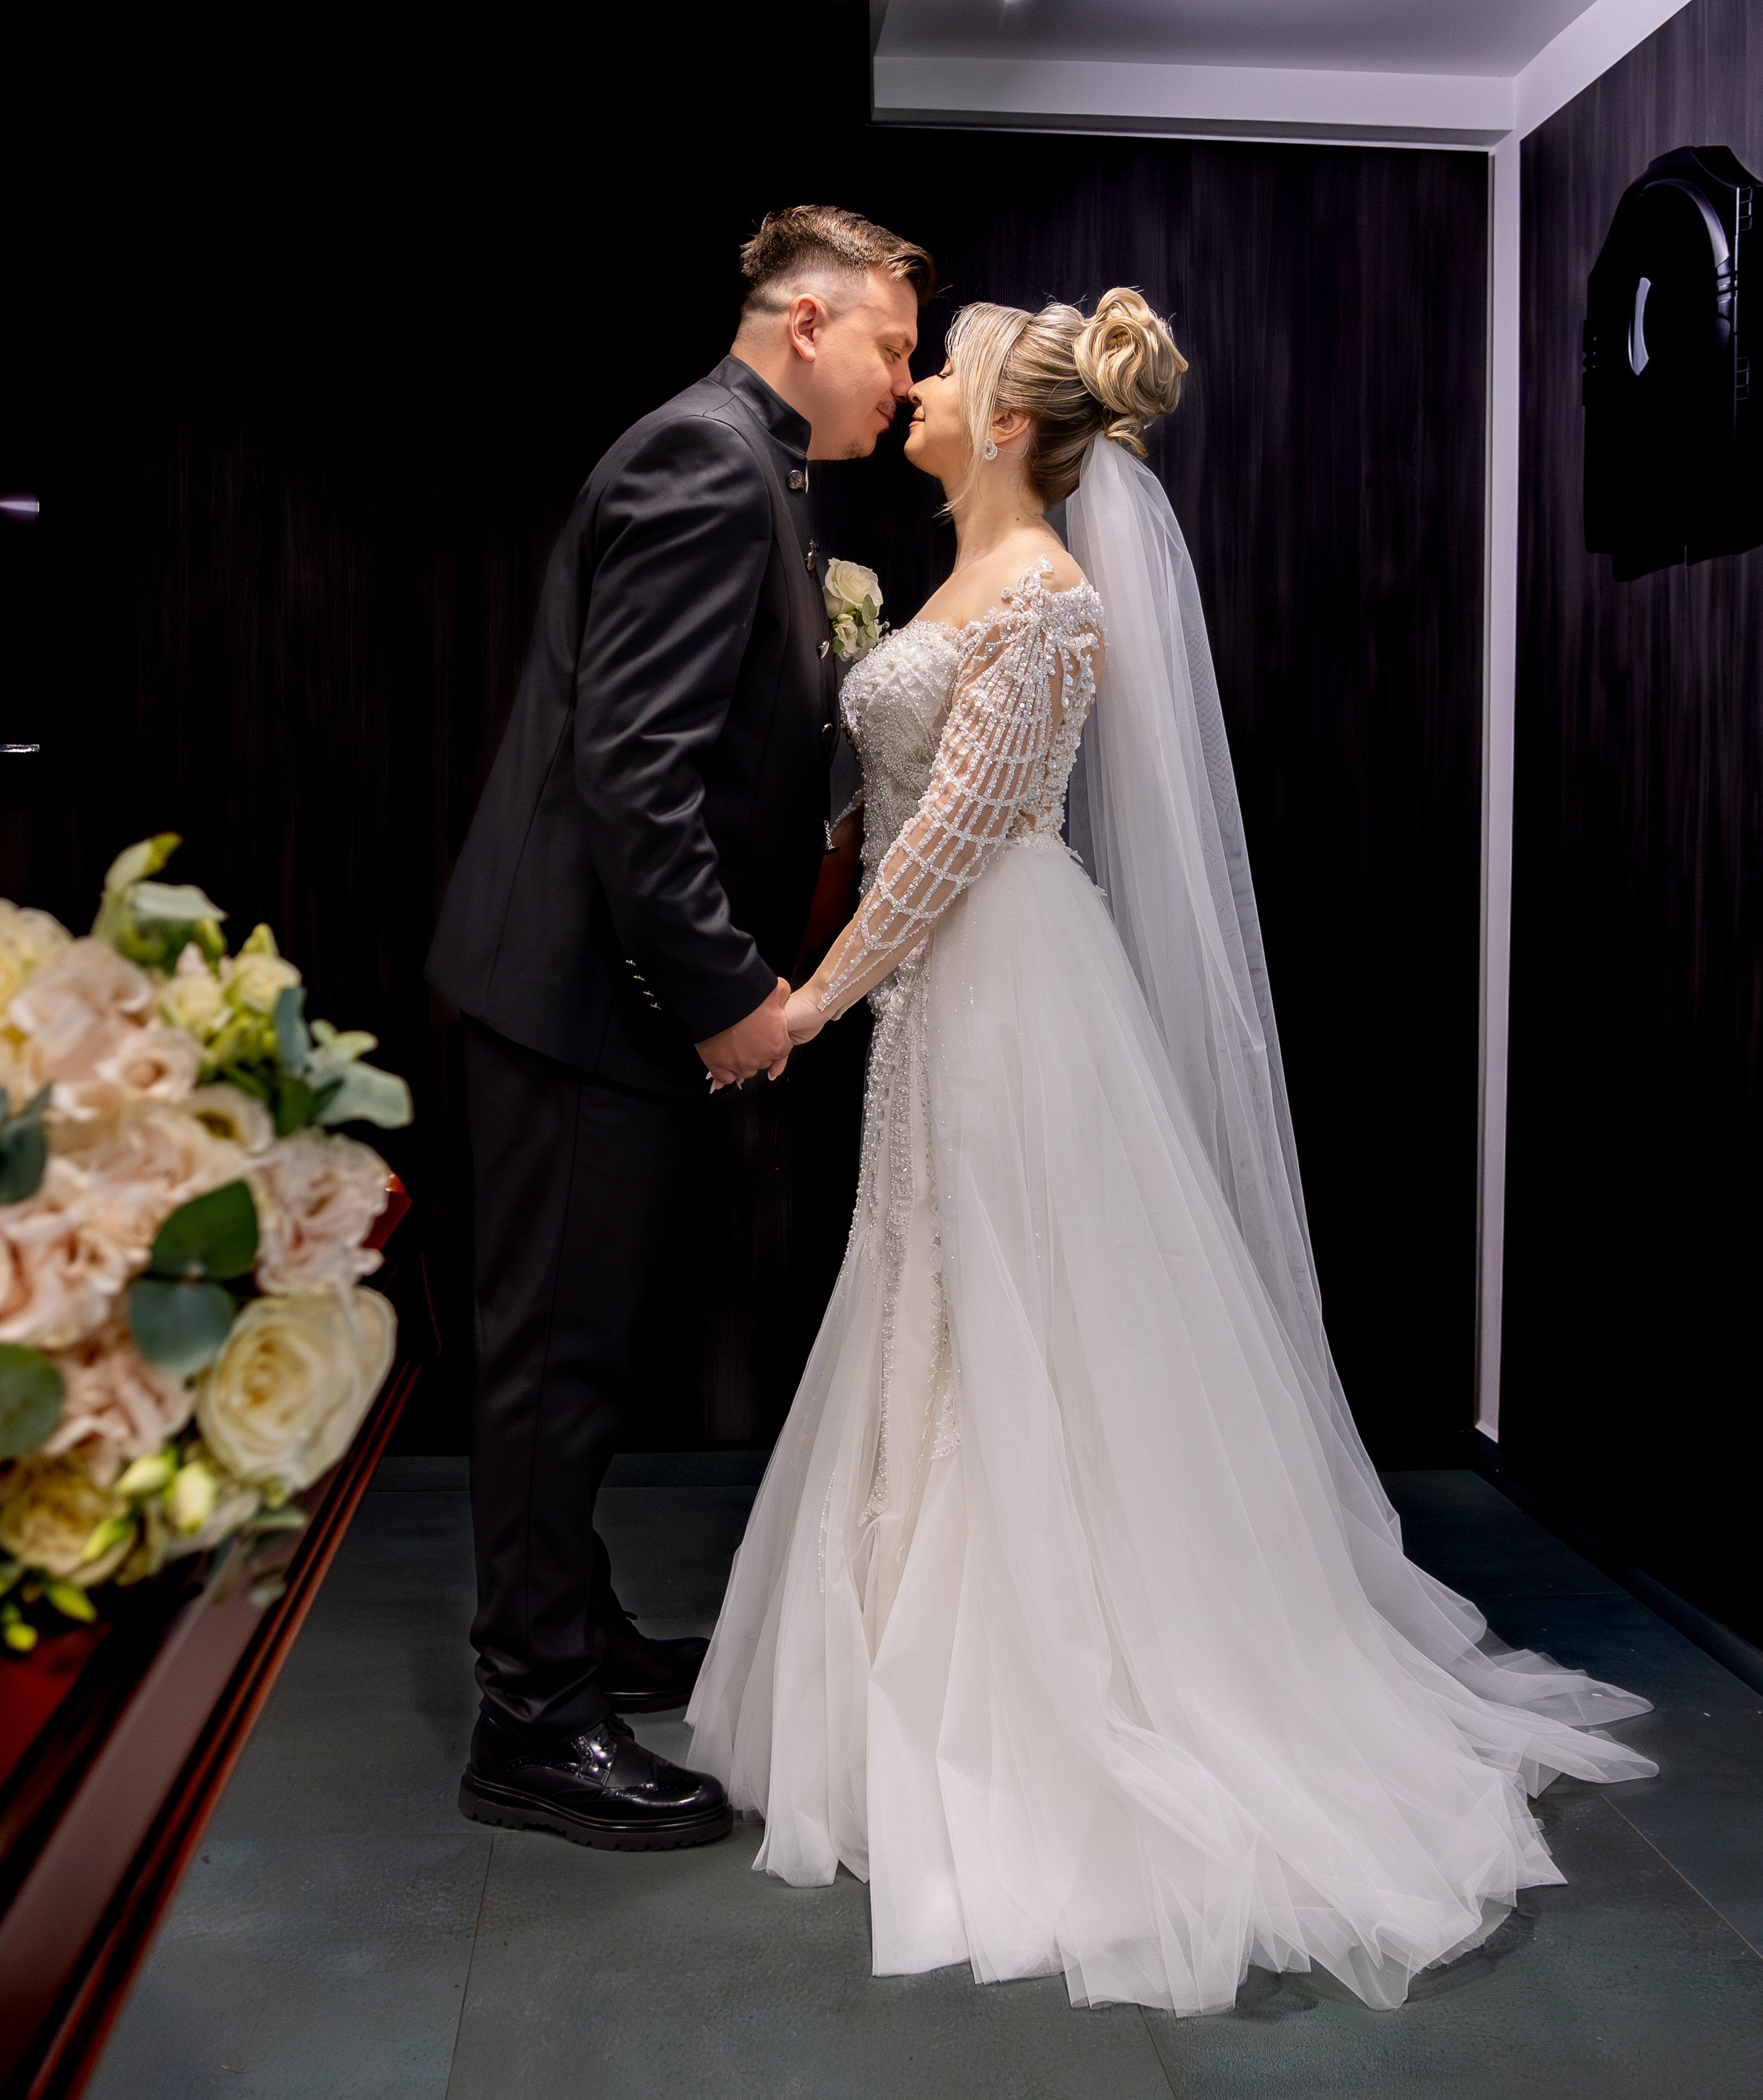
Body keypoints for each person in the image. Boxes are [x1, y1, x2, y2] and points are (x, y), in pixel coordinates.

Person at [687, 289, 1657, 2005]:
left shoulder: (1050, 599)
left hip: (1005, 988)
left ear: (1003, 424)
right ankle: (910, 1653)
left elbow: (958, 842)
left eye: (940, 370)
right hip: (940, 998)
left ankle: (1045, 1689)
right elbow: (887, 812)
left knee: (1015, 1310)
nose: (914, 388)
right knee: (928, 1287)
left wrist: (807, 1003)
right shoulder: (956, 578)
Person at [427, 205, 934, 1851]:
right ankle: (530, 1718)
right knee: (552, 1357)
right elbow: (634, 774)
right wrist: (727, 997)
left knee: (583, 1344)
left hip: (596, 990)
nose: (903, 379)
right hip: (584, 993)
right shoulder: (709, 462)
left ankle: (570, 1628)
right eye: (891, 346)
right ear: (807, 323)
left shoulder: (752, 464)